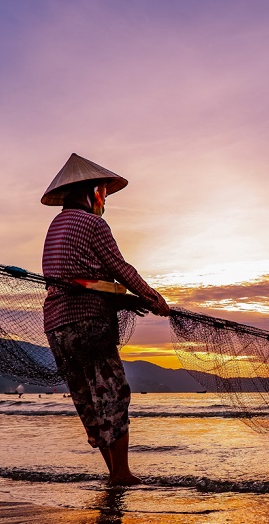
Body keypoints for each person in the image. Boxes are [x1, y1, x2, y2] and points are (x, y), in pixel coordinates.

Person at [41, 153, 171, 486]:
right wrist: (152, 297)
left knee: (87, 397)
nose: (104, 200)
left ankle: (114, 473)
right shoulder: (93, 223)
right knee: (113, 391)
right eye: (103, 192)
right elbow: (119, 268)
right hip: (88, 322)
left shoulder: (55, 226)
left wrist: (125, 299)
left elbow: (81, 277)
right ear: (88, 191)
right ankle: (122, 474)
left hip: (57, 326)